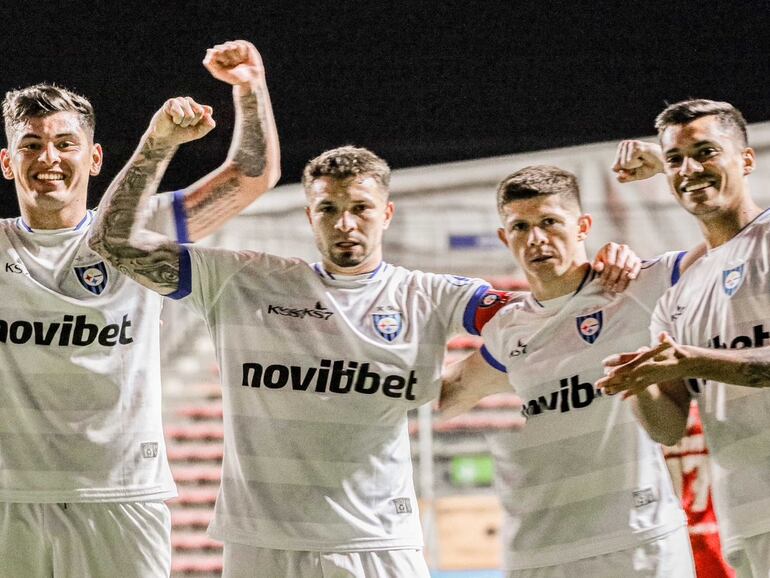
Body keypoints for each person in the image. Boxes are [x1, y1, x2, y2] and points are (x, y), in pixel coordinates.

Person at [89, 134, 641, 576]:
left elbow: (539, 315)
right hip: (264, 545)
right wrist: (160, 142)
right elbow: (113, 241)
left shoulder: (431, 295)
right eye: (328, 209)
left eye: (360, 208)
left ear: (387, 213)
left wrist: (596, 268)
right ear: (310, 216)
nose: (345, 223)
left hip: (379, 542)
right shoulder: (244, 279)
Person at [0, 39, 279, 577]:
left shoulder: (137, 231)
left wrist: (249, 86)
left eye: (64, 143)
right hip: (11, 496)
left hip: (123, 495)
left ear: (96, 157)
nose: (48, 158)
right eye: (30, 146)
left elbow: (250, 178)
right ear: (8, 164)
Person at [439, 165, 697, 577]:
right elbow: (444, 395)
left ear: (583, 226)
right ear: (505, 238)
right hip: (541, 552)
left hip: (638, 544)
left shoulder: (641, 285)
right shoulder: (509, 328)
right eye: (520, 227)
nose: (536, 239)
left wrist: (673, 164)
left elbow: (738, 240)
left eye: (550, 222)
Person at [599, 99, 770, 578]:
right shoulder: (679, 296)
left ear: (748, 160)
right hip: (748, 517)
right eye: (675, 159)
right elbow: (667, 428)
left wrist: (690, 360)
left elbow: (694, 363)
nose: (689, 170)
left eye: (707, 152)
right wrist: (640, 382)